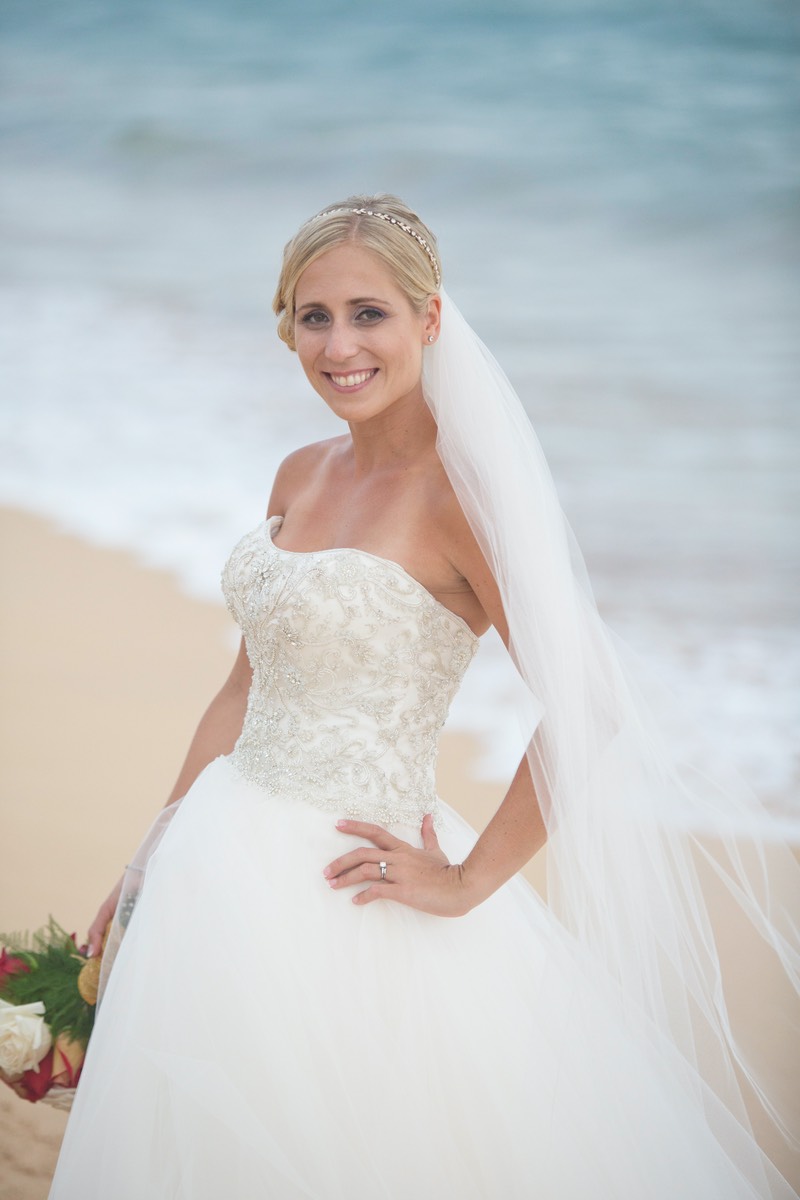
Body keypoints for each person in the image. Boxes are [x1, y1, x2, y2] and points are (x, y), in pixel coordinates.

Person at [49, 196, 798, 1199]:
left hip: (353, 889)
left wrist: (466, 879)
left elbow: (588, 704)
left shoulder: (462, 499)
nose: (337, 345)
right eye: (312, 317)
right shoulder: (297, 471)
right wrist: (153, 848)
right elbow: (243, 682)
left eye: (369, 314)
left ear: (429, 320)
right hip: (219, 861)